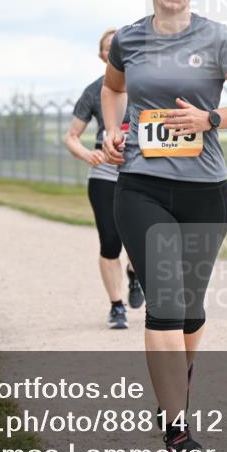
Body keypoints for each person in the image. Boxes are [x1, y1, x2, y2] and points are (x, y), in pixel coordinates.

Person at [101, 0, 227, 452]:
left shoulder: (218, 39)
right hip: (141, 186)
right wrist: (112, 130)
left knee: (191, 312)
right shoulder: (128, 39)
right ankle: (177, 430)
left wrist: (208, 118)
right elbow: (113, 89)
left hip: (205, 192)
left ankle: (176, 396)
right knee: (166, 306)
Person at [65, 28, 144, 330]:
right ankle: (116, 306)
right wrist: (88, 155)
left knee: (139, 239)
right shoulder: (94, 91)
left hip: (140, 168)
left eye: (119, 45)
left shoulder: (146, 85)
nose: (114, 51)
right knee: (110, 240)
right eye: (109, 47)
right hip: (104, 172)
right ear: (101, 55)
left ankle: (135, 274)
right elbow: (72, 136)